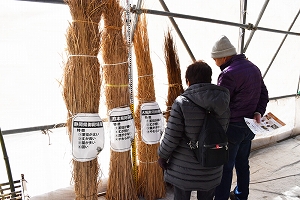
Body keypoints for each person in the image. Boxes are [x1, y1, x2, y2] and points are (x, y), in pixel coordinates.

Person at [158, 60, 230, 200]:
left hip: (184, 169)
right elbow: (223, 131)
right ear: (209, 79)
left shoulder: (181, 103)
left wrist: (162, 155)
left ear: (188, 81)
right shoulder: (224, 101)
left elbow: (172, 136)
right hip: (212, 163)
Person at [211, 35, 269, 200]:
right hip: (250, 126)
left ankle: (221, 198)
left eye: (215, 59)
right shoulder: (253, 68)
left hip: (233, 128)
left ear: (224, 56)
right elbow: (264, 93)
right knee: (243, 163)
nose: (215, 63)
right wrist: (259, 111)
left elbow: (221, 104)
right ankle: (241, 195)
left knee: (226, 167)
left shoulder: (228, 74)